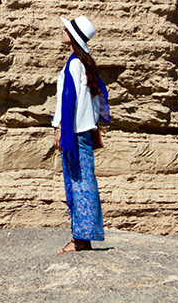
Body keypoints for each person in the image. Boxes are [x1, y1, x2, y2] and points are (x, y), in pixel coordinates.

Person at [52, 15, 110, 253]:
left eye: (66, 29)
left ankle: (80, 239)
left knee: (77, 182)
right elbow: (97, 99)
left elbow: (68, 100)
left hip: (74, 131)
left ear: (73, 36)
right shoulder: (86, 63)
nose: (62, 31)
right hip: (85, 129)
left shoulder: (75, 63)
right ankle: (83, 236)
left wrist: (60, 127)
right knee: (85, 180)